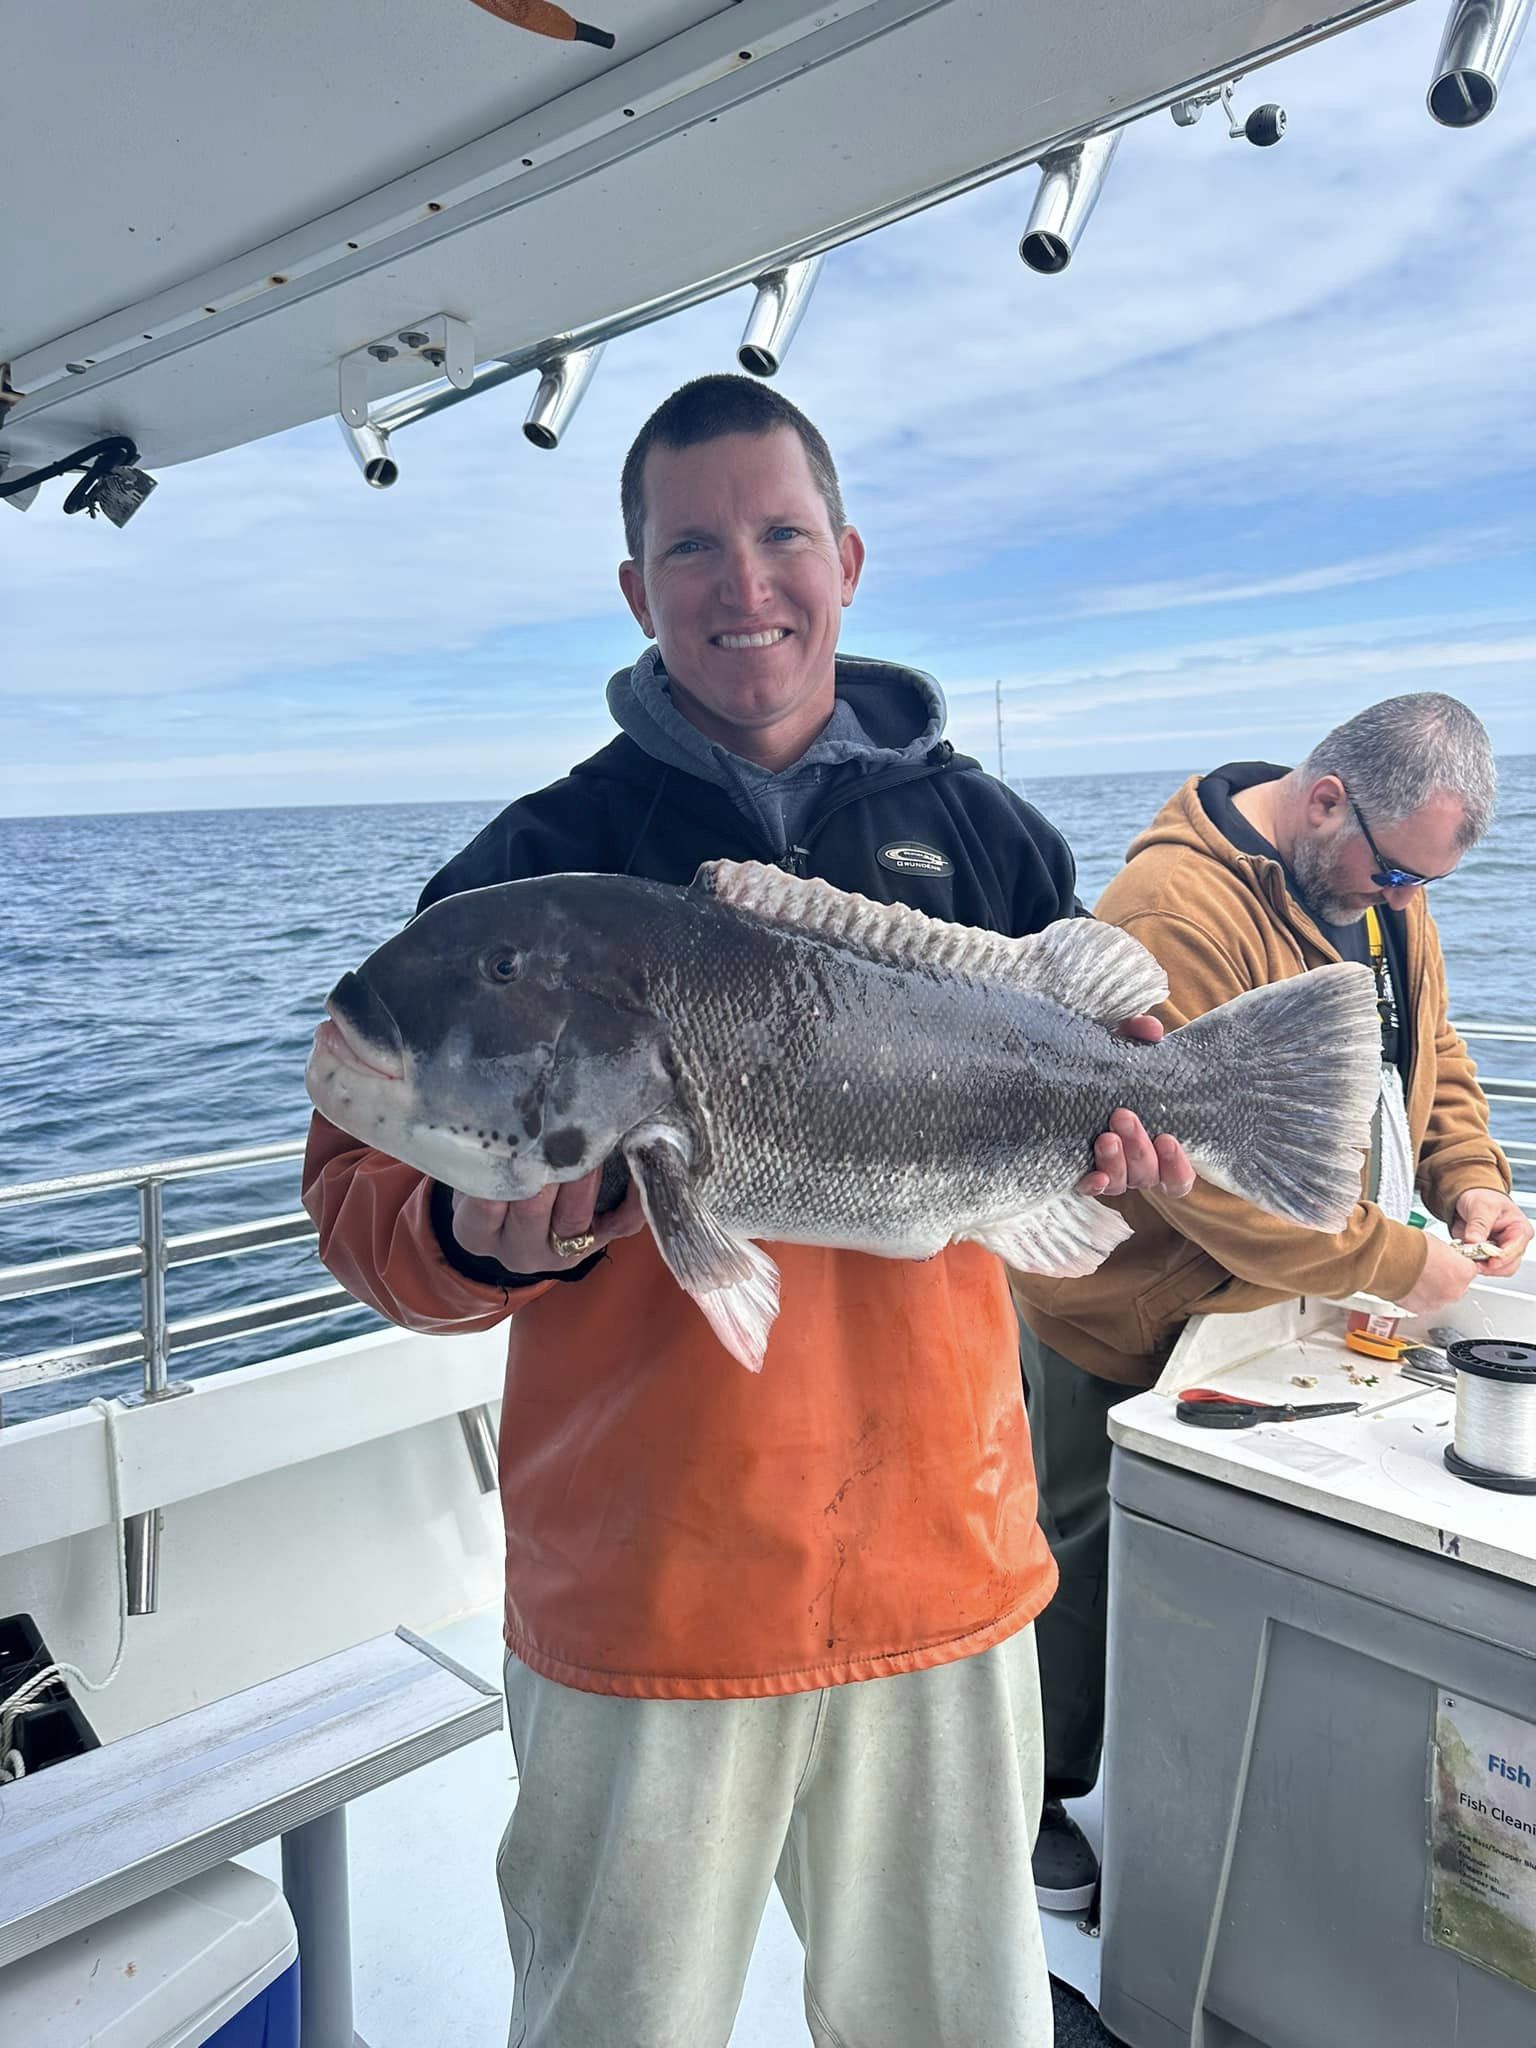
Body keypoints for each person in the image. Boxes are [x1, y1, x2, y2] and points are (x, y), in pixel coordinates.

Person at [303, 373, 1197, 2048]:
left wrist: (1137, 1154)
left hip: (940, 1566)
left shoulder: (992, 838)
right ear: (635, 587)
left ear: (846, 560)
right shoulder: (541, 857)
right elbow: (355, 1188)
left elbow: (1099, 1118)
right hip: (653, 1588)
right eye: (692, 546)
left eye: (782, 535)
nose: (745, 583)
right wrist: (468, 1240)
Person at [1011, 693, 1532, 1915]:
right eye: (1395, 873)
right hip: (1125, 1305)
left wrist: (1472, 1181)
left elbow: (1432, 1048)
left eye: (1424, 883)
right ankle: (1032, 1795)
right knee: (1077, 1561)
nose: (1405, 898)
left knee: (1200, 1561)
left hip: (1282, 1299)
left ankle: (1189, 1771)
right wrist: (1399, 1266)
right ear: (1327, 799)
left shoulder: (1382, 891)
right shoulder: (1171, 912)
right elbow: (1208, 1176)